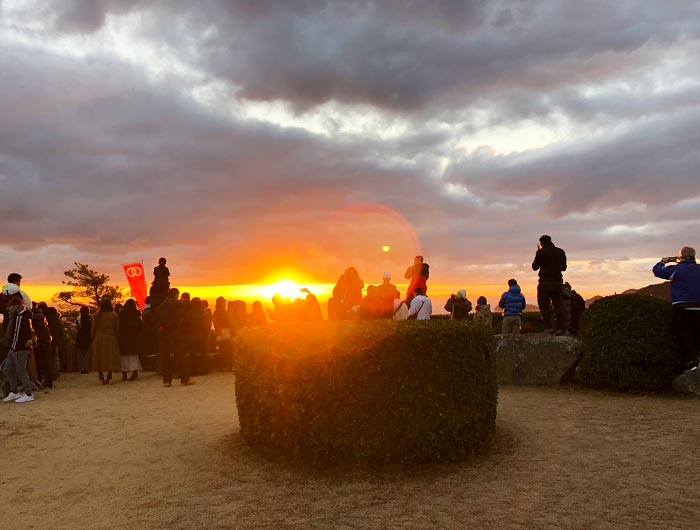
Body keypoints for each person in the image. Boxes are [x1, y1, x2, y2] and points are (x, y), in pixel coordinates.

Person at [653, 246, 700, 372]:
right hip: (698, 307)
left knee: (683, 335)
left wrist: (664, 261)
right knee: (696, 335)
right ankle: (696, 360)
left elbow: (657, 271)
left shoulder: (676, 270)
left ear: (681, 256)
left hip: (681, 307)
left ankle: (690, 363)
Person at [156, 288, 194, 387]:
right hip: (174, 333)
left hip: (162, 334)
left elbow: (155, 319)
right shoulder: (178, 304)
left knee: (165, 357)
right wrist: (167, 327)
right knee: (180, 356)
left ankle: (166, 381)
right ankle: (184, 379)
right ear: (176, 294)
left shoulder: (161, 306)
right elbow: (177, 319)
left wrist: (161, 327)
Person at [1, 296, 36, 403]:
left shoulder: (20, 317)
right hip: (15, 347)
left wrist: (13, 346)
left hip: (19, 348)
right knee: (6, 368)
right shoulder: (22, 316)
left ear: (16, 306)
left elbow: (17, 334)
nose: (9, 309)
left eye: (10, 307)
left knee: (21, 370)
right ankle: (15, 391)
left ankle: (28, 393)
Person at [532, 235, 567, 334]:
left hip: (545, 283)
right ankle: (560, 328)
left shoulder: (540, 252)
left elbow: (534, 267)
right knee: (558, 306)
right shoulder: (561, 251)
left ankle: (549, 327)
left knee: (543, 305)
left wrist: (539, 252)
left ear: (541, 243)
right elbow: (564, 268)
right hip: (558, 282)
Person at [91, 298, 121, 385]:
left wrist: (93, 337)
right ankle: (109, 377)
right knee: (110, 357)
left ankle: (101, 377)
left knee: (99, 357)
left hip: (99, 337)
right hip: (110, 337)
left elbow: (93, 328)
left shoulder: (97, 315)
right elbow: (117, 329)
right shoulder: (114, 315)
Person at [119, 299, 143, 381]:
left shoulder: (122, 314)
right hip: (133, 337)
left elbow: (119, 326)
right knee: (133, 356)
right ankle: (134, 372)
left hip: (123, 337)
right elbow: (140, 326)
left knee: (123, 356)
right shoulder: (136, 315)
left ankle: (124, 374)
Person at [31, 306, 53, 388]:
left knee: (40, 362)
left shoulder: (35, 317)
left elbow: (37, 330)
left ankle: (42, 380)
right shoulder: (42, 316)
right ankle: (48, 381)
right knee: (46, 361)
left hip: (41, 341)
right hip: (47, 339)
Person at [76, 306, 92, 374]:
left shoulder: (79, 318)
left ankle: (80, 368)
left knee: (80, 353)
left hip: (80, 336)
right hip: (87, 336)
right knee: (86, 354)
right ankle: (85, 368)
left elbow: (78, 325)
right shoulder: (90, 319)